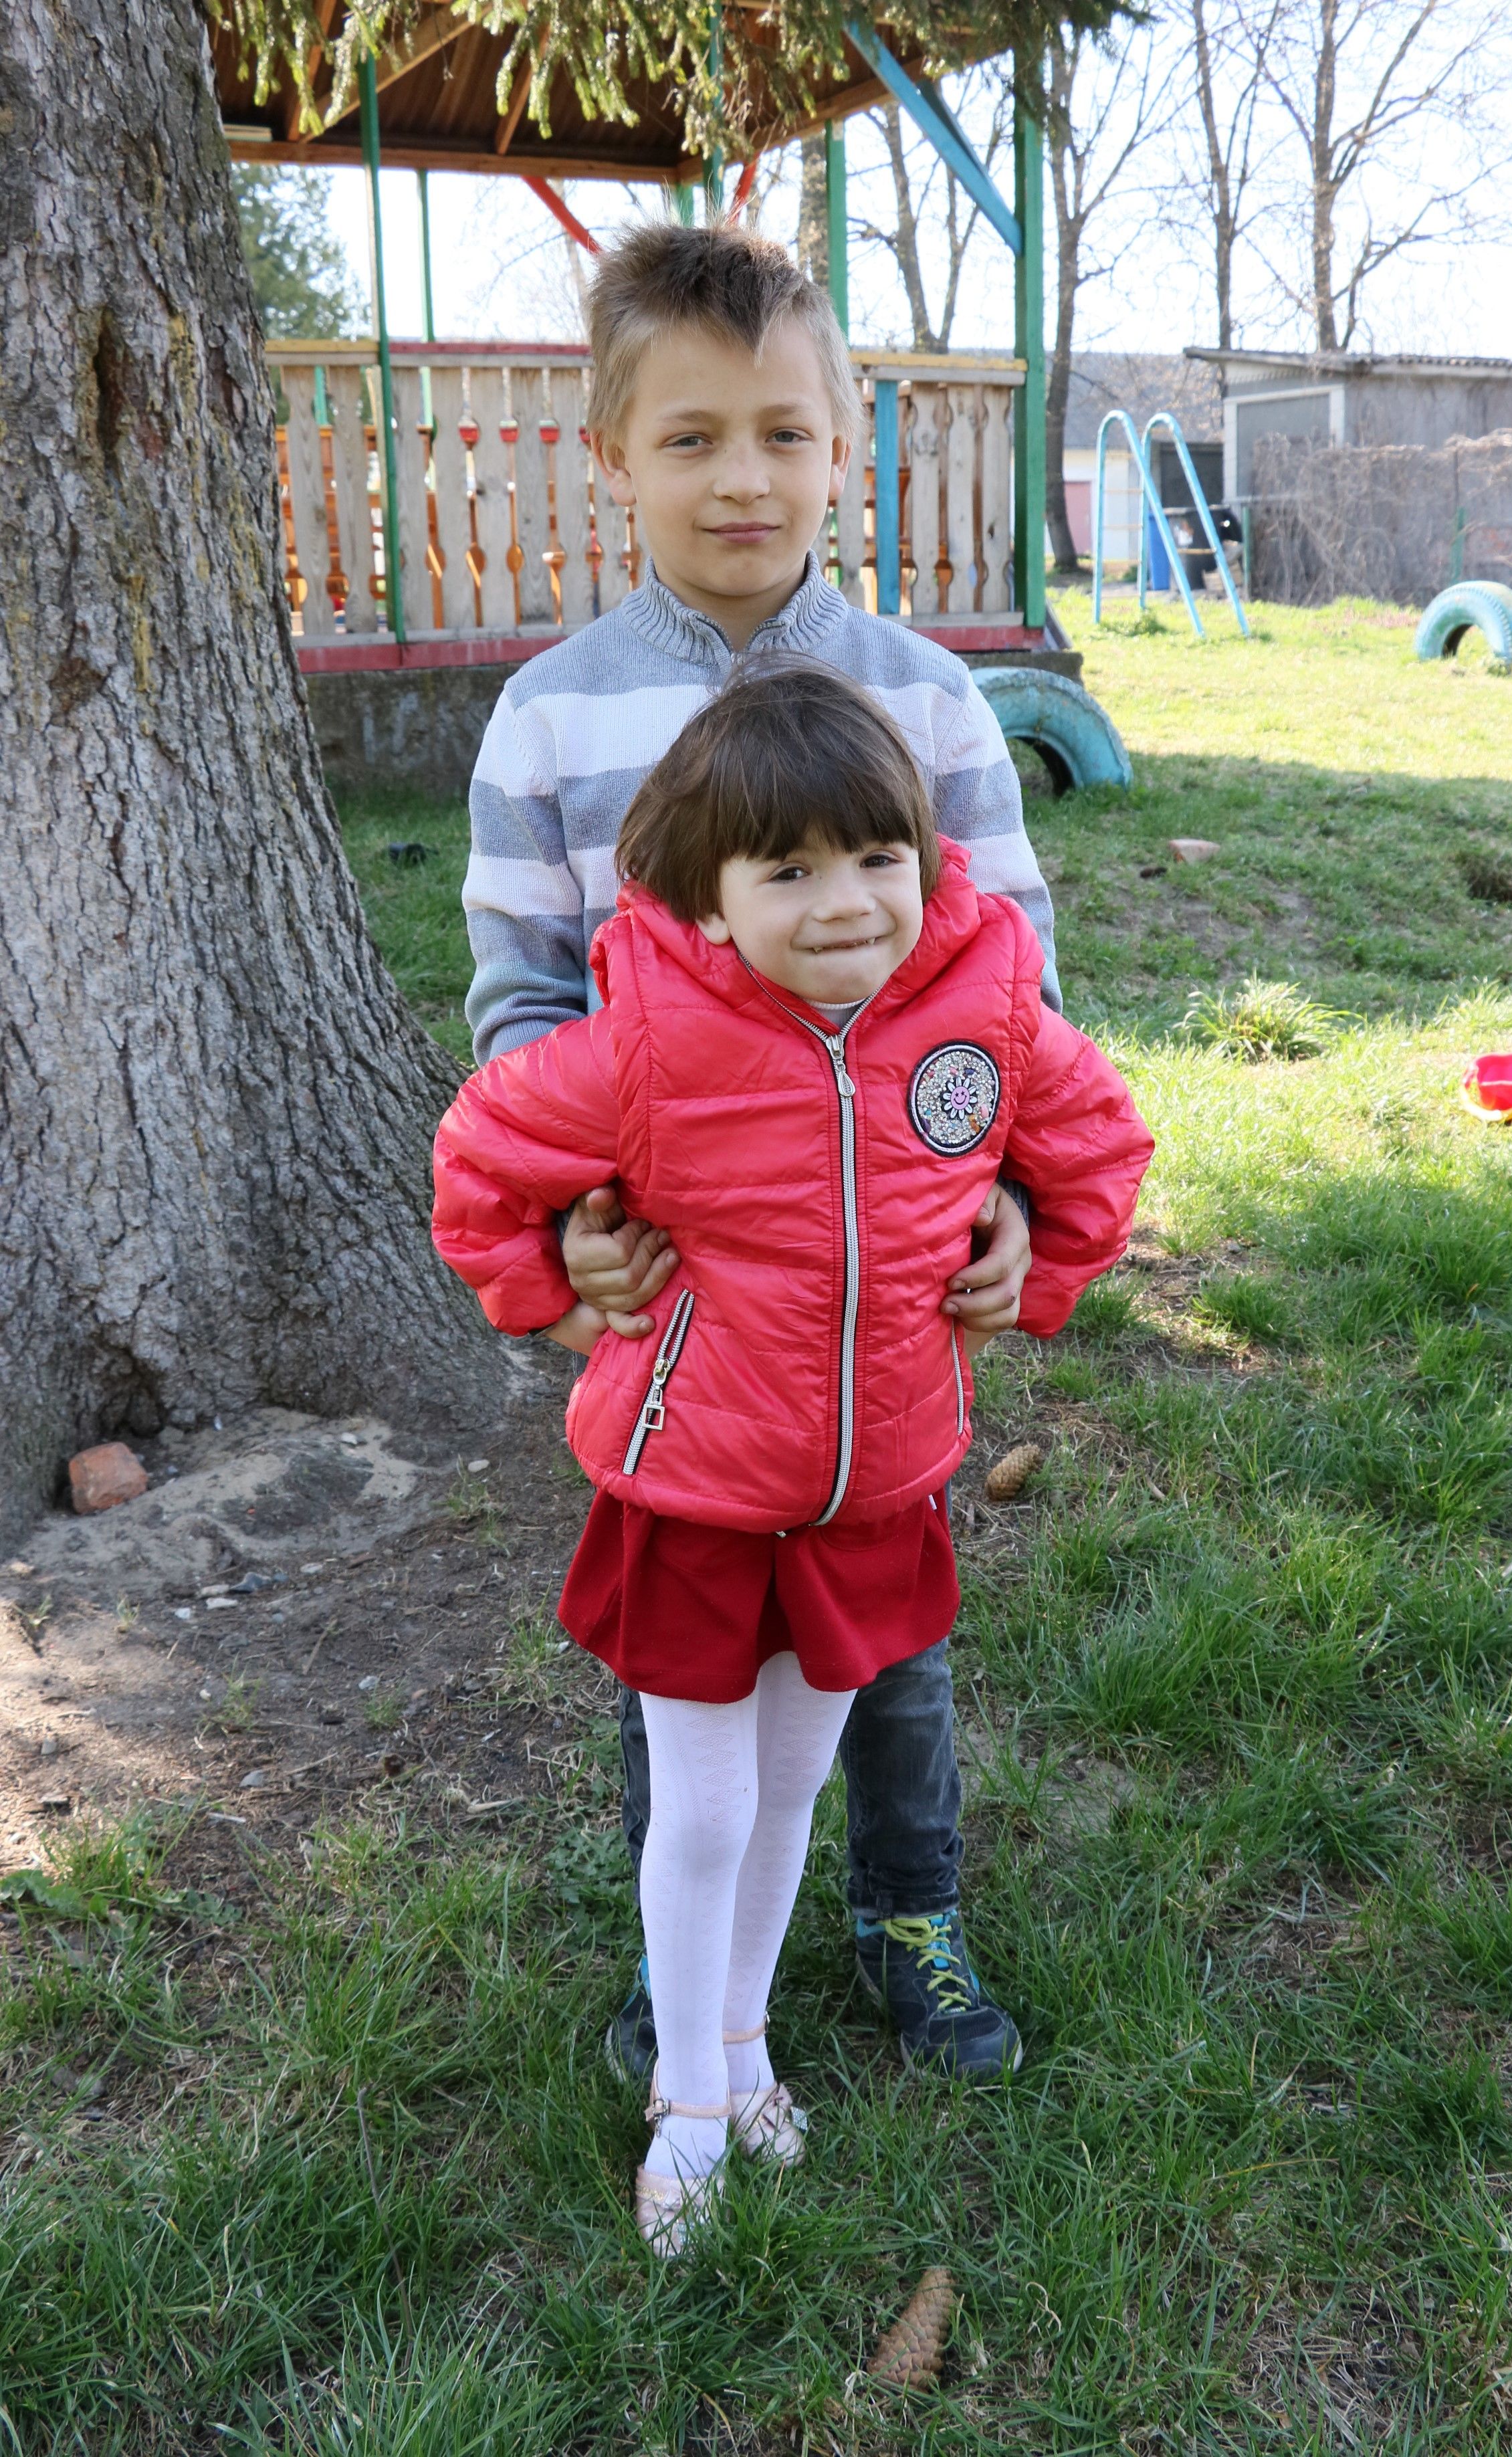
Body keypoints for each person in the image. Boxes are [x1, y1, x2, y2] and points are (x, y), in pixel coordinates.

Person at [433, 665, 1154, 2254]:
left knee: (790, 1787)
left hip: (872, 1485)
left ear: (925, 859)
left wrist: (1031, 1265)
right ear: (709, 894)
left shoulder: (983, 1007)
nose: (844, 904)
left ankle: (745, 2043)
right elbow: (481, 1158)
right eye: (789, 870)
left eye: (878, 858)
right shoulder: (645, 1042)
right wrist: (561, 1301)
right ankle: (689, 2099)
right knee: (699, 1807)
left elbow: (1097, 1139)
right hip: (694, 1486)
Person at [462, 215, 1061, 2083]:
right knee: (691, 1642)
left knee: (889, 1629)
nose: (745, 477)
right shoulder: (549, 719)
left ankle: (909, 1907)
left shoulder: (929, 696)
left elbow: (1016, 991)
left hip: (885, 1301)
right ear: (610, 456)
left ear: (840, 444)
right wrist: (576, 1222)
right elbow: (522, 999)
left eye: (785, 433)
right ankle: (690, 1960)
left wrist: (1013, 1195)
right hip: (688, 1313)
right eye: (694, 436)